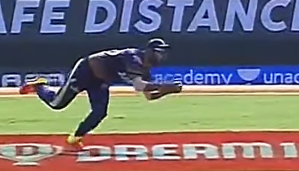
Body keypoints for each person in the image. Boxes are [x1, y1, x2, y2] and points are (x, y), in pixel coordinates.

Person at [19, 38, 182, 148]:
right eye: (159, 52)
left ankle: (75, 138)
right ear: (150, 51)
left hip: (100, 81)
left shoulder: (145, 70)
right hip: (86, 71)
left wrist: (166, 91)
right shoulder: (133, 58)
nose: (162, 56)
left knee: (99, 112)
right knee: (57, 104)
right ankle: (40, 85)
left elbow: (149, 96)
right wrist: (164, 86)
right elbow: (140, 86)